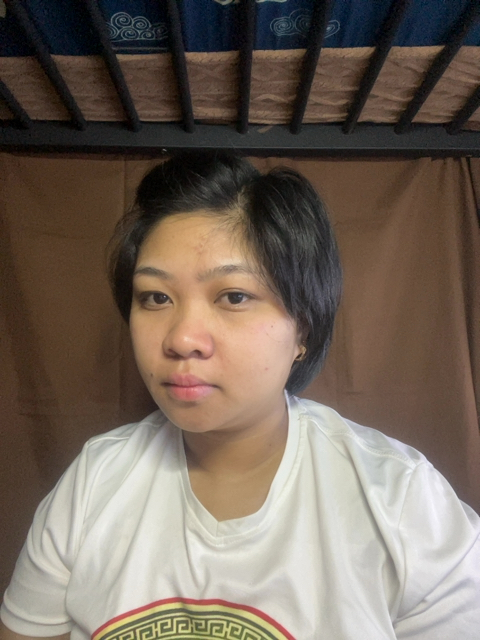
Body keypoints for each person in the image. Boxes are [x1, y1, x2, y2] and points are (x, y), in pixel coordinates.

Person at [1, 153, 479, 640]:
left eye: (233, 296)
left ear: (303, 329)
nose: (181, 339)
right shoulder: (93, 483)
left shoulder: (400, 501)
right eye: (156, 297)